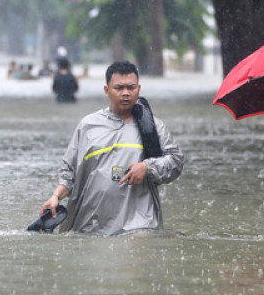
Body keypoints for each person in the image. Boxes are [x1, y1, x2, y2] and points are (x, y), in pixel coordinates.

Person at [39, 61, 185, 235]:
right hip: (91, 225)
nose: (125, 93)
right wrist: (55, 197)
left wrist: (147, 167)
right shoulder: (88, 126)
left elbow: (176, 161)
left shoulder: (153, 128)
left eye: (131, 87)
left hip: (139, 225)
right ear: (107, 90)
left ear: (138, 89)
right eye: (119, 88)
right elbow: (70, 172)